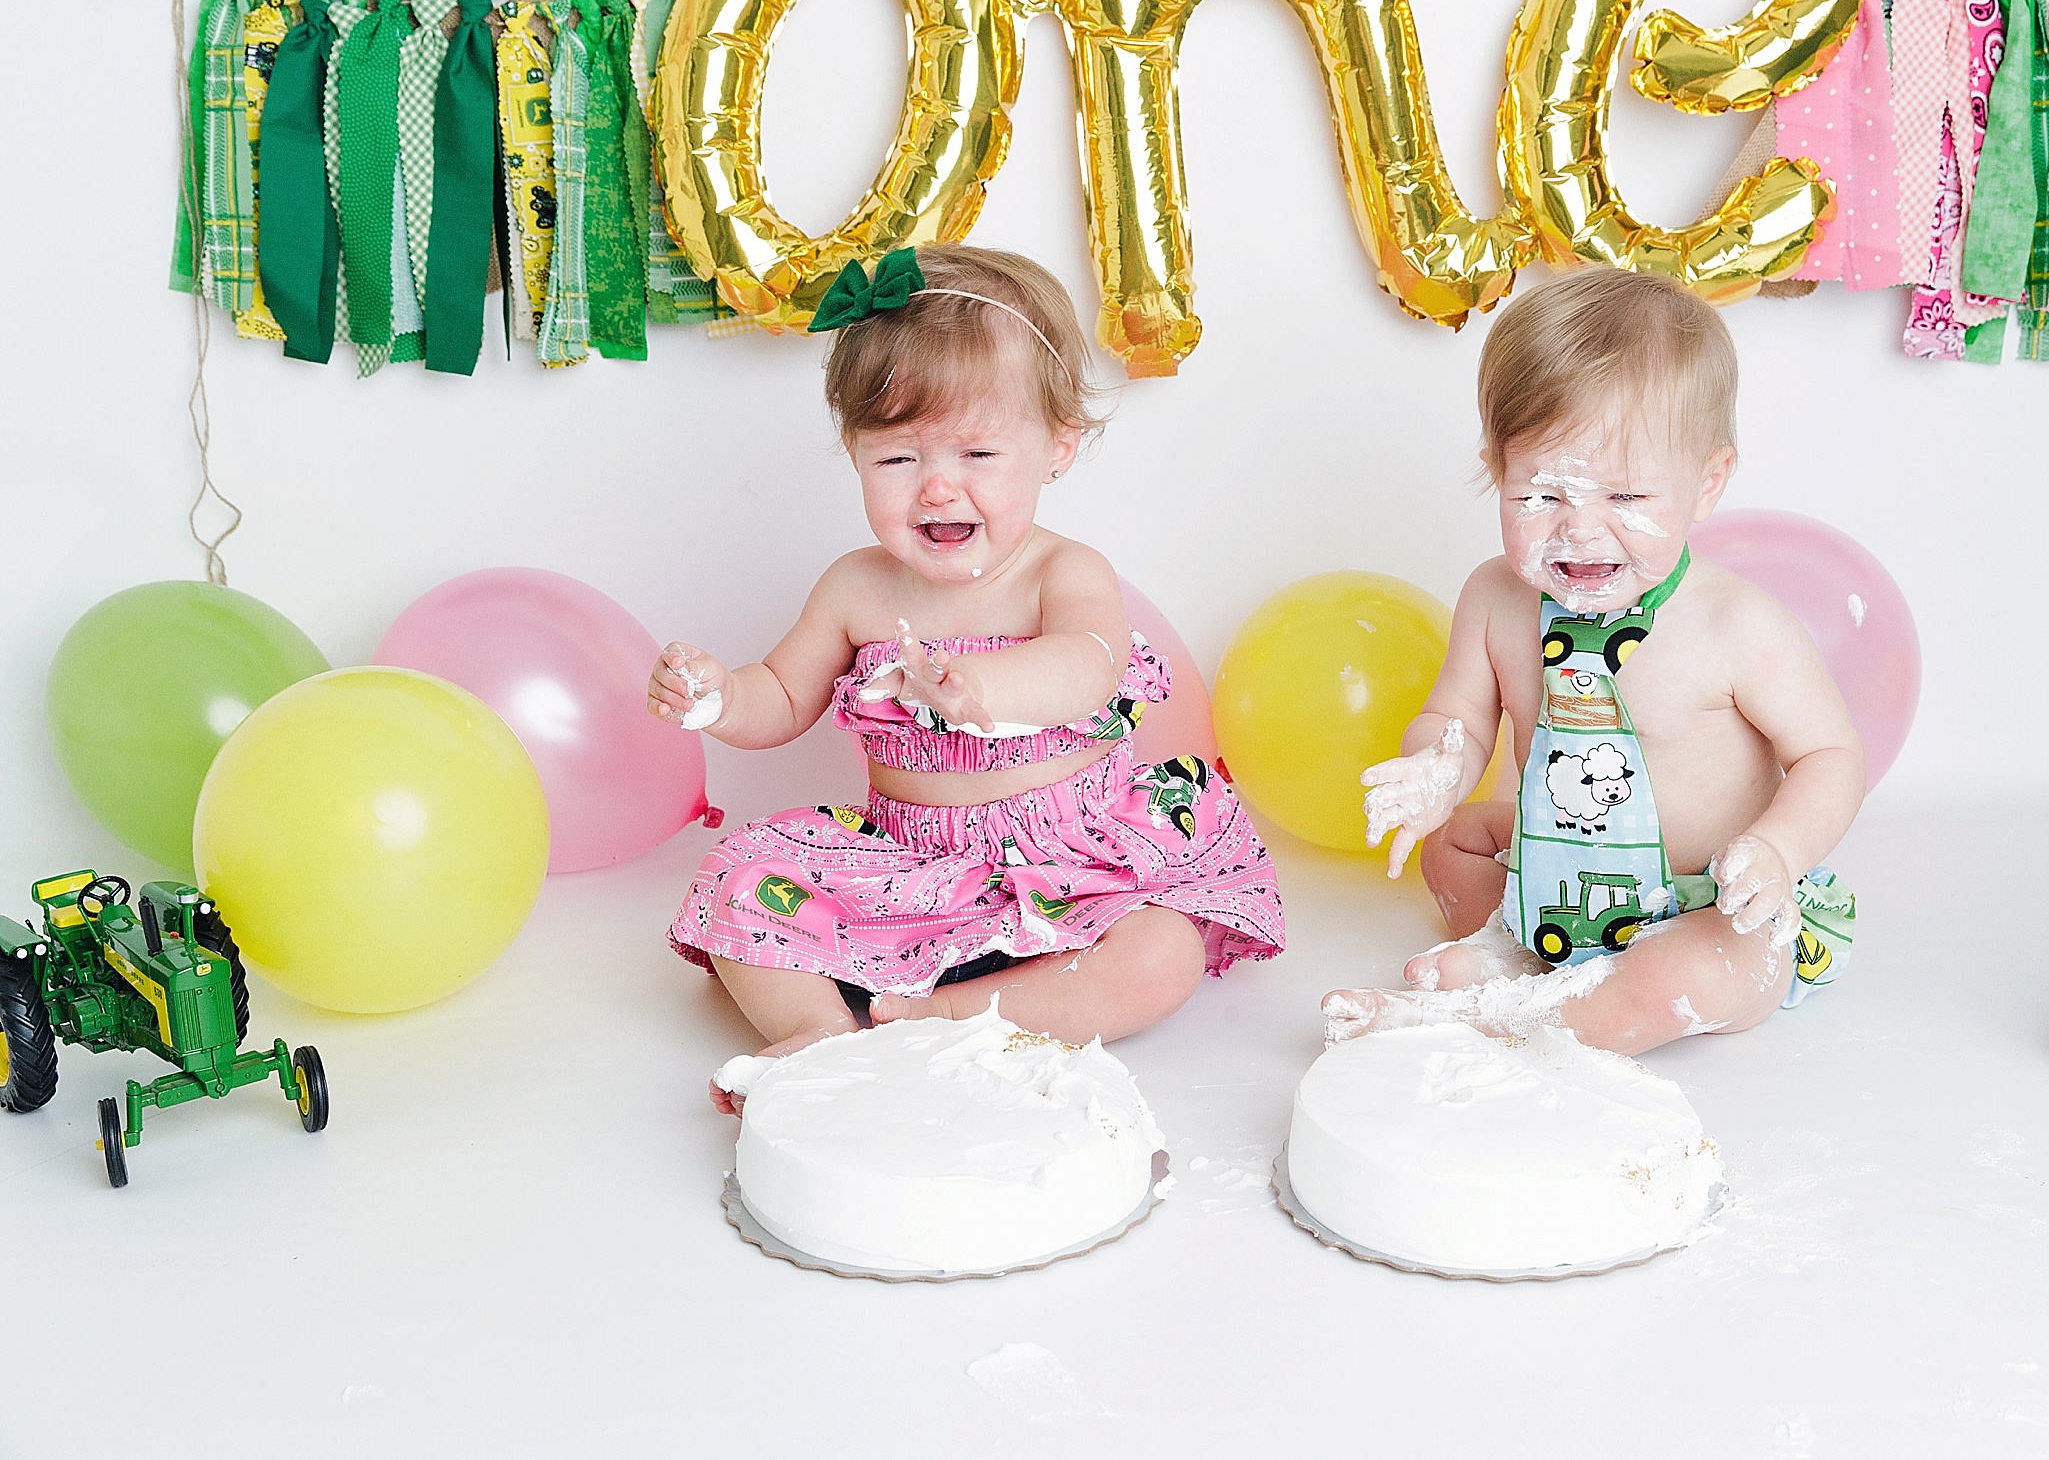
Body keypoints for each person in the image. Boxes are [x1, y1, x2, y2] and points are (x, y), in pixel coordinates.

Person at [652, 245, 1283, 1112]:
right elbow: (784, 693)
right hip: (910, 866)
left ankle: (934, 1014)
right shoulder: (856, 586)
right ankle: (824, 1034)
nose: (939, 486)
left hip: (1073, 869)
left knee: (1160, 955)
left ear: (1057, 448)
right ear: (853, 453)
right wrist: (720, 696)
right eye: (898, 460)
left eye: (979, 452)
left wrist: (985, 691)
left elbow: (1091, 665)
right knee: (735, 884)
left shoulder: (1061, 571)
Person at [1325, 266, 1862, 1054]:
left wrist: (1777, 850)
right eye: (1540, 495)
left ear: (1706, 483)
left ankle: (1494, 1019)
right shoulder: (1494, 599)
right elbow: (1457, 719)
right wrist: (1433, 768)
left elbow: (1829, 754)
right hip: (1555, 883)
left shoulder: (1735, 623)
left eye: (1626, 498)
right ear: (1497, 470)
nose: (1579, 530)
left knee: (1705, 972)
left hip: (1705, 900)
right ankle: (1516, 949)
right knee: (1457, 840)